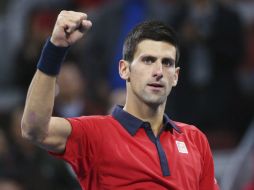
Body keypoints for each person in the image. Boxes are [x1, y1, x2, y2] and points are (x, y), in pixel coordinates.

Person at [21, 10, 219, 190]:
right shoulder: (95, 133)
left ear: (175, 76)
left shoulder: (195, 139)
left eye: (167, 63)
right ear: (124, 69)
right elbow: (34, 128)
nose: (158, 72)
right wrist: (55, 48)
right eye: (148, 60)